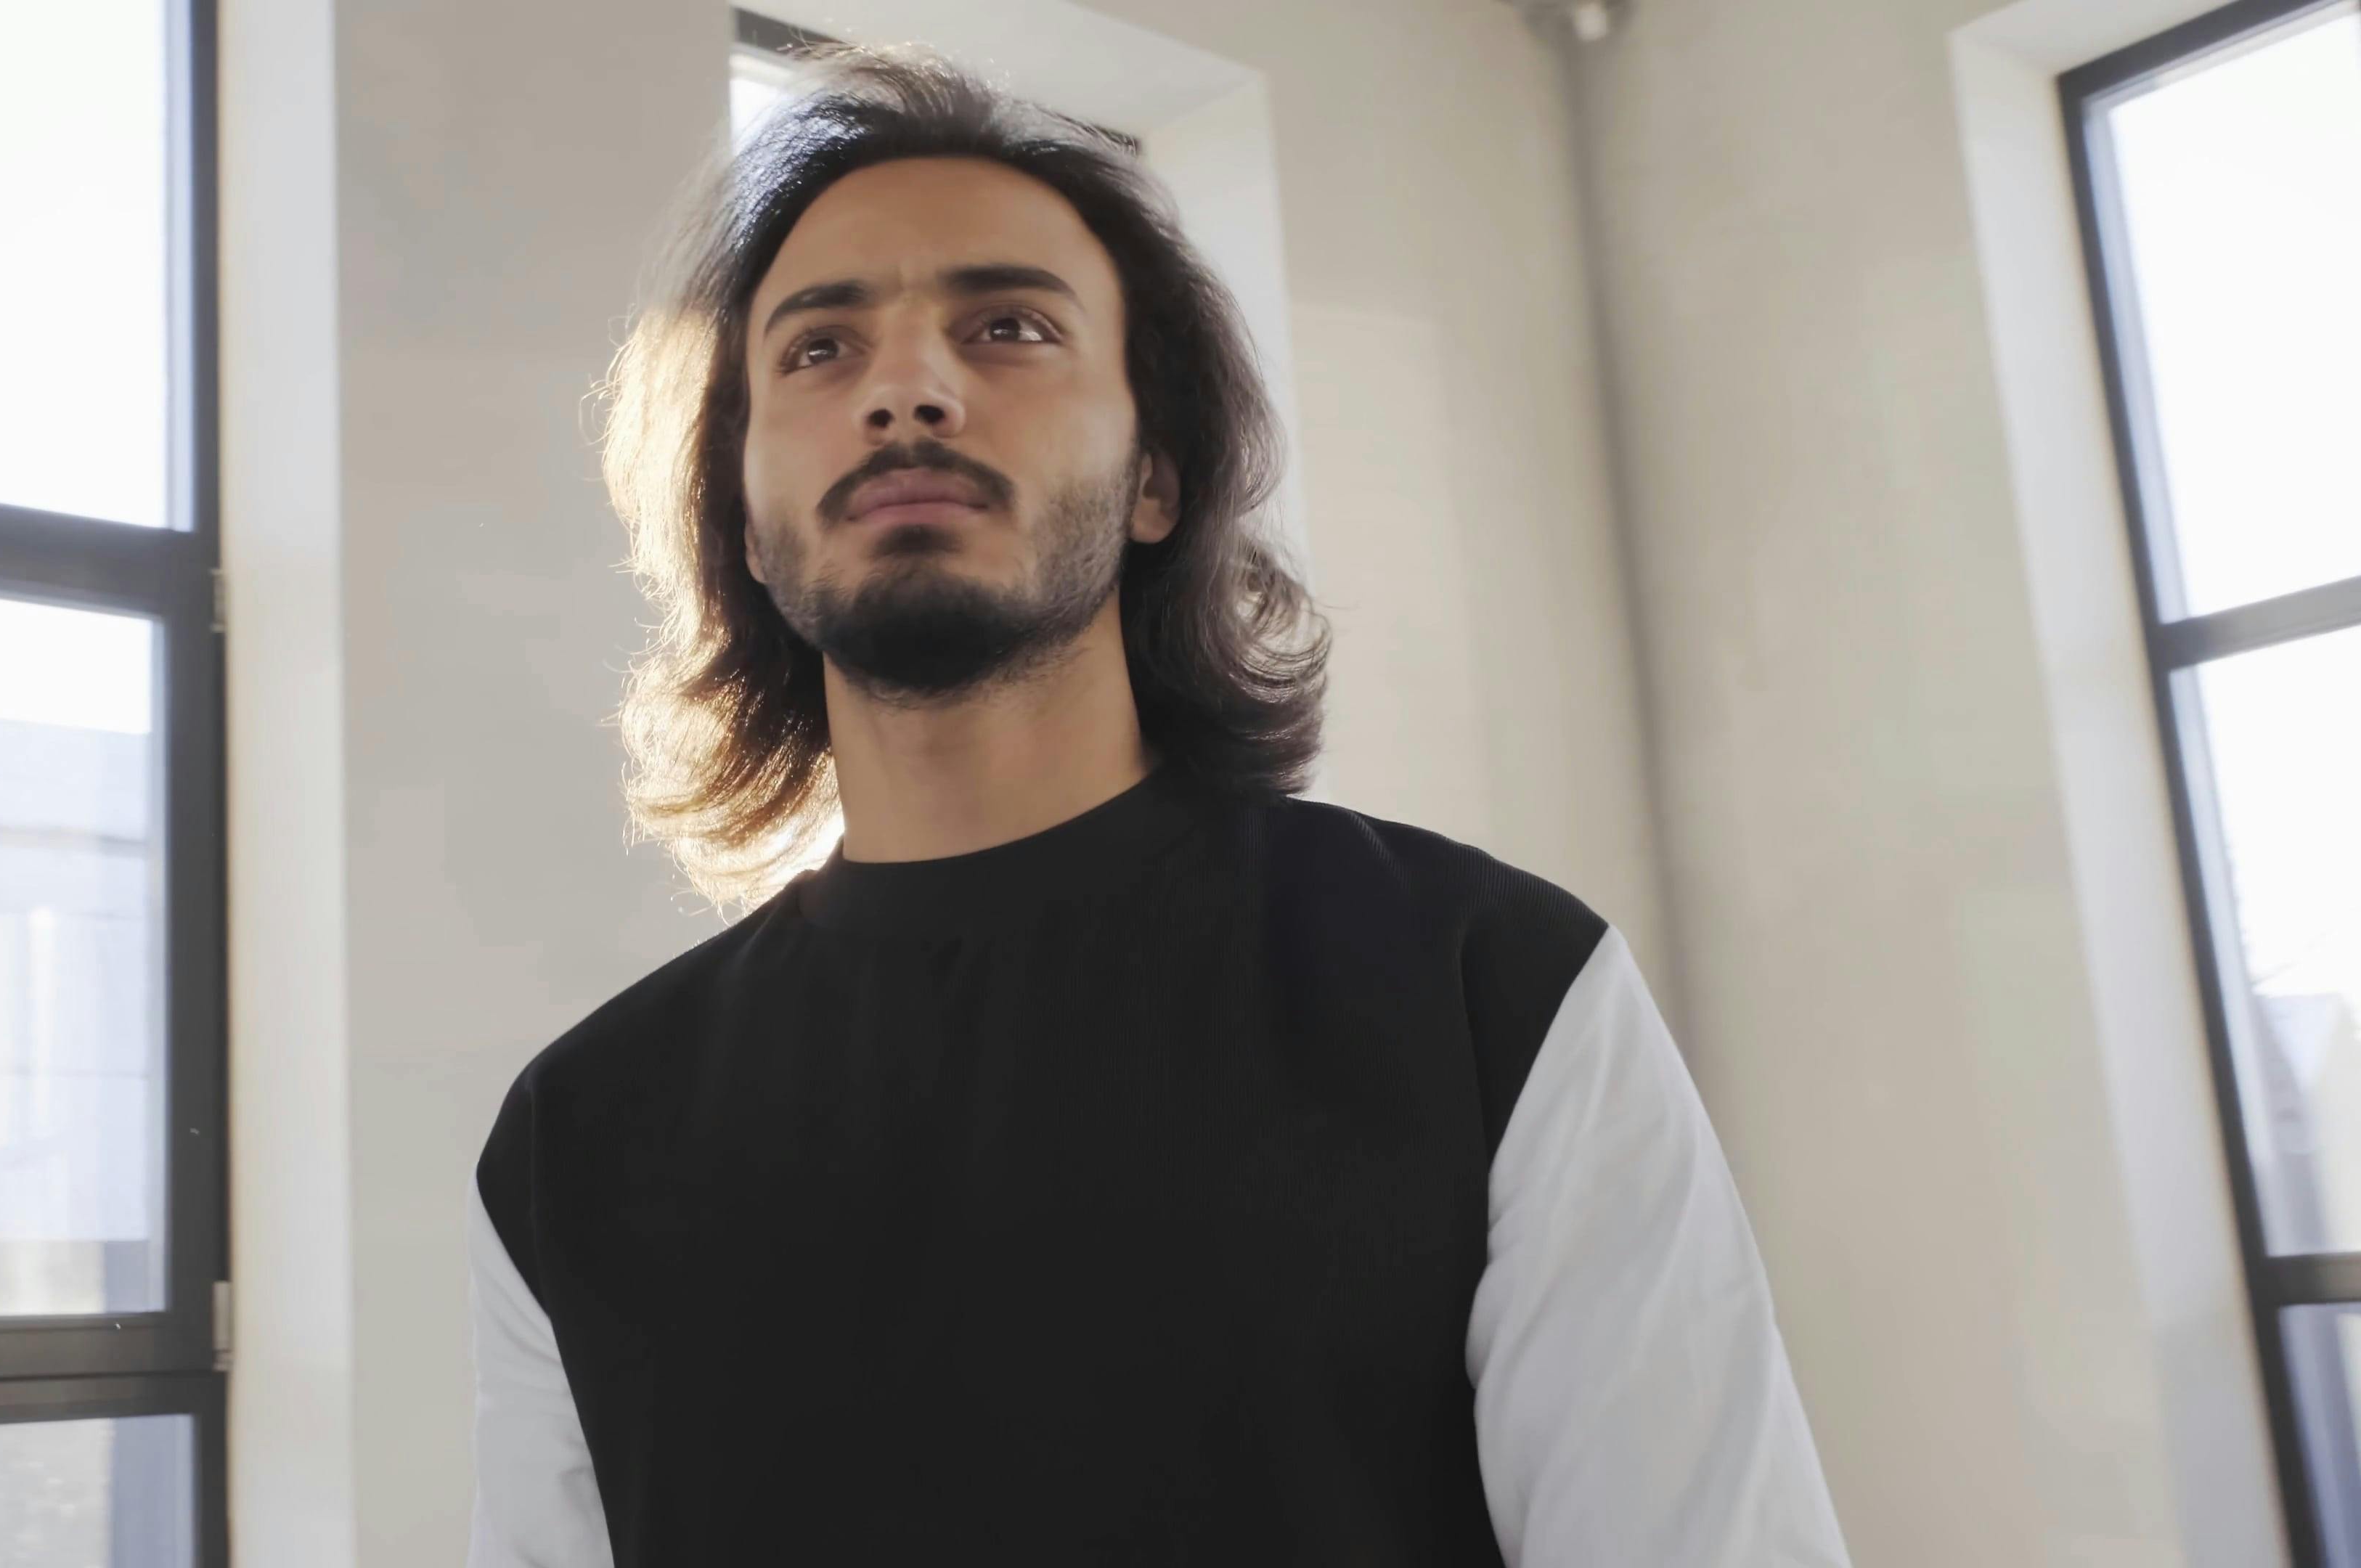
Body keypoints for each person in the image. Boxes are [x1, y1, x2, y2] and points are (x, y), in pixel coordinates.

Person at [468, 44, 1846, 1568]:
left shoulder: (1496, 1002)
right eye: (818, 352)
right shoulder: (576, 1143)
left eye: (1008, 329)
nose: (908, 387)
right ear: (743, 504)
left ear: (1157, 481)